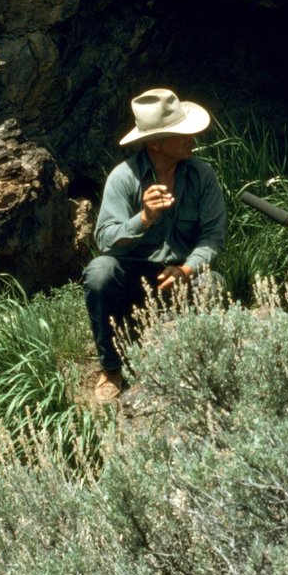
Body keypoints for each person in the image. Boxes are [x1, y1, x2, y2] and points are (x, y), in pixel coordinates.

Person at [84, 88, 227, 401]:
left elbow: (214, 235)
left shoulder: (201, 175)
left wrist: (188, 269)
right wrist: (144, 218)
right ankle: (111, 368)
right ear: (155, 143)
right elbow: (105, 241)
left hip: (179, 273)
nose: (192, 138)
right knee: (99, 272)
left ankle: (200, 369)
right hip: (133, 278)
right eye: (181, 134)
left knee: (213, 284)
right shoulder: (124, 178)